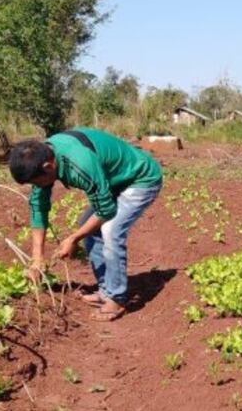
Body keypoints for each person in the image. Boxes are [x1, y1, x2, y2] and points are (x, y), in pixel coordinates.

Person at [8, 128, 163, 321]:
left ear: (48, 167)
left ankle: (116, 299)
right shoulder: (42, 158)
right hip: (111, 180)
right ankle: (106, 291)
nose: (37, 186)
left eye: (36, 182)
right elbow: (38, 208)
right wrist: (37, 258)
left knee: (110, 230)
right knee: (87, 225)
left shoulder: (79, 163)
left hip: (140, 178)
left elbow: (106, 210)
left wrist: (73, 239)